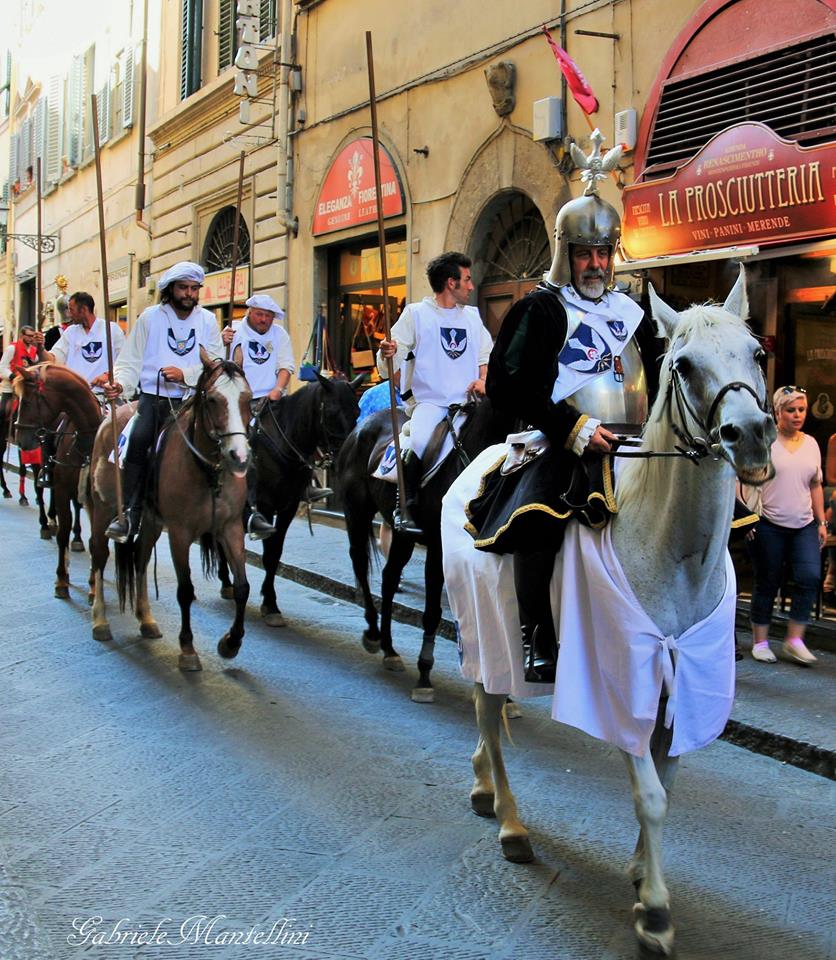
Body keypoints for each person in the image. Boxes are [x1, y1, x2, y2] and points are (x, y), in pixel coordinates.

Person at [464, 135, 647, 682]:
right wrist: (570, 426)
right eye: (585, 253)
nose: (594, 263)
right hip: (564, 439)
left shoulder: (633, 313)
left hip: (633, 440)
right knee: (538, 513)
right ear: (566, 254)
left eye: (602, 253)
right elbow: (507, 384)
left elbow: (652, 380)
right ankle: (538, 634)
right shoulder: (541, 309)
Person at [94, 261, 224, 542]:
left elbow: (216, 364)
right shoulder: (150, 318)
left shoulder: (208, 320)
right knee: (139, 440)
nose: (189, 293)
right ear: (170, 290)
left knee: (231, 440)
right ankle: (129, 512)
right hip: (155, 400)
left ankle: (237, 510)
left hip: (194, 400)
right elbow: (130, 361)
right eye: (183, 288)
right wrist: (120, 384)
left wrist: (186, 374)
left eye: (194, 288)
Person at [377, 251, 492, 534]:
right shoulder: (416, 314)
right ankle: (404, 505)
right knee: (417, 440)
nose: (471, 286)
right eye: (466, 280)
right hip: (432, 404)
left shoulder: (474, 318)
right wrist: (387, 352)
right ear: (451, 283)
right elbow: (389, 360)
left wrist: (483, 381)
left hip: (470, 405)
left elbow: (485, 360)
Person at [222, 293, 327, 538]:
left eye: (268, 316)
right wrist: (222, 341)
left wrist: (278, 389)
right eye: (260, 314)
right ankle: (248, 503)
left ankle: (306, 483)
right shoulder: (233, 332)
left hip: (271, 397)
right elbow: (222, 362)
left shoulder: (279, 335)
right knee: (245, 443)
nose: (264, 320)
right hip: (240, 399)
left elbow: (285, 365)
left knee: (297, 432)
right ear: (249, 312)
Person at [747, 387, 826, 665]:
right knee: (767, 581)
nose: (797, 415)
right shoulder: (765, 442)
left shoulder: (812, 444)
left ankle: (794, 640)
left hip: (803, 524)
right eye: (791, 410)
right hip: (768, 523)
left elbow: (816, 484)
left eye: (801, 410)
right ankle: (761, 641)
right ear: (778, 412)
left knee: (809, 577)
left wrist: (821, 521)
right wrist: (747, 517)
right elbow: (743, 480)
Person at [38, 291, 126, 487]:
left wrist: (107, 376)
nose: (69, 314)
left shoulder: (112, 330)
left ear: (83, 309)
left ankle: (120, 474)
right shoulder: (71, 333)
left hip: (105, 395)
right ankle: (49, 469)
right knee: (52, 428)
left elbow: (124, 362)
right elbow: (54, 358)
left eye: (71, 309)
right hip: (74, 398)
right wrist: (39, 348)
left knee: (123, 428)